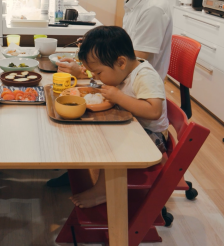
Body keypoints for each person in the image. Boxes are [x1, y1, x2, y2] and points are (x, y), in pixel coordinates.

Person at [49, 0, 172, 187]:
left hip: (137, 97)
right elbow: (120, 55)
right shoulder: (133, 2)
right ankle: (78, 166)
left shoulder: (152, 9)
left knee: (81, 112)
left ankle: (96, 181)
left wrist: (87, 72)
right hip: (126, 90)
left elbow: (130, 62)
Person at [69, 25, 169, 208]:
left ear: (121, 62)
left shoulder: (145, 76)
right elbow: (108, 83)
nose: (97, 77)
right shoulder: (123, 69)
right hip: (132, 124)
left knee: (111, 142)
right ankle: (76, 168)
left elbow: (154, 111)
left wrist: (118, 97)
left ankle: (103, 191)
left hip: (151, 137)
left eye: (98, 73)